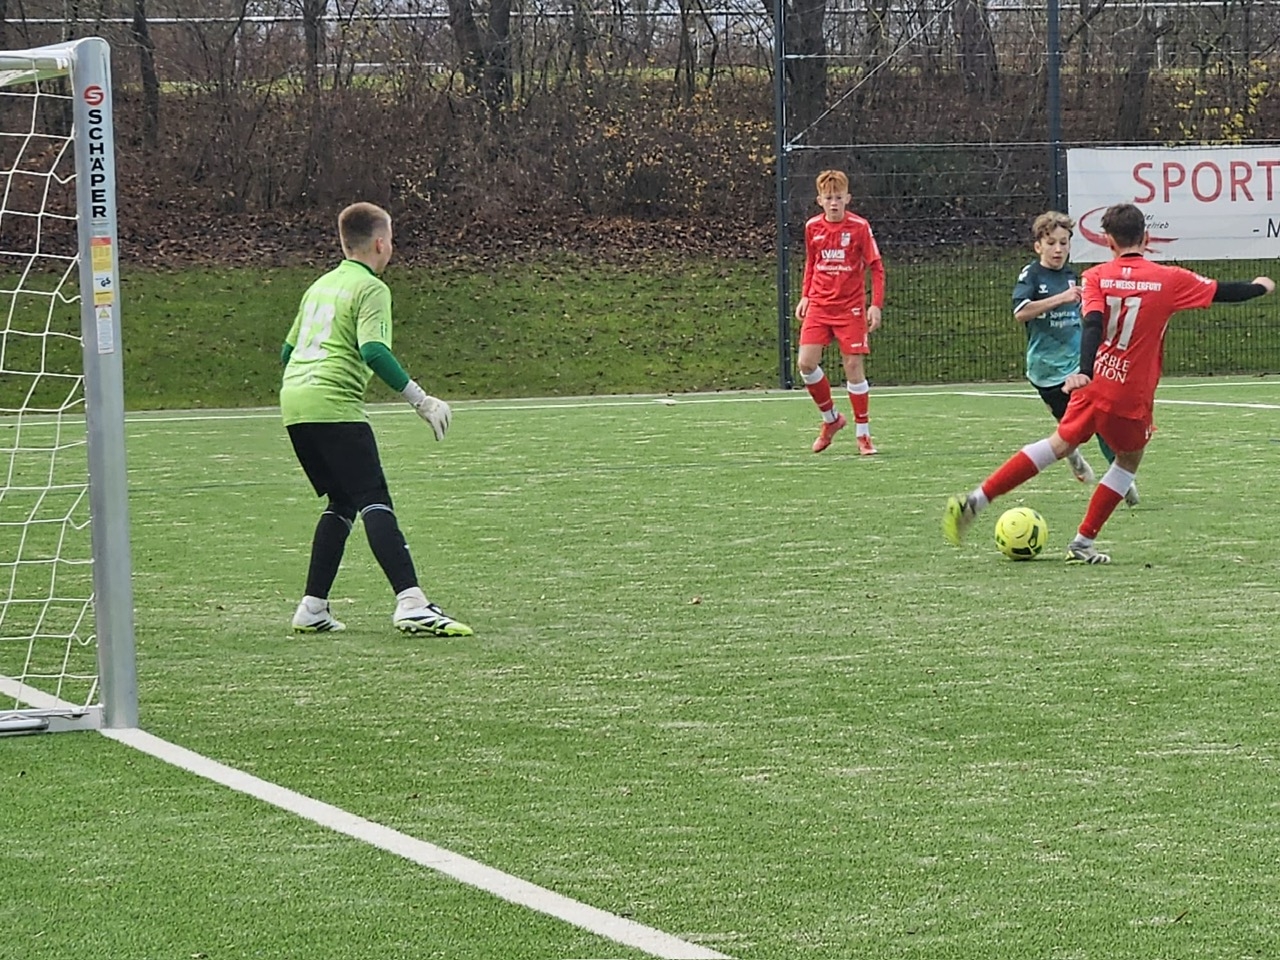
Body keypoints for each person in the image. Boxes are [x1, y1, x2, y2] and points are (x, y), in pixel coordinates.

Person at [944, 202, 1274, 563]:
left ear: (1108, 241)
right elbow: (1225, 291)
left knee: (1058, 444)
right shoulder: (1169, 279)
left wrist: (1085, 370)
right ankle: (1083, 541)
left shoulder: (1095, 276)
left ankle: (977, 498)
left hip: (1096, 381)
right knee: (1128, 460)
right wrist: (1259, 286)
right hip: (1131, 393)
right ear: (1146, 238)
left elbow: (1093, 323)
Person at [280, 201, 473, 635]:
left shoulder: (320, 286)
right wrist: (422, 401)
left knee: (342, 501)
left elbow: (288, 352)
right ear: (381, 243)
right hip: (333, 404)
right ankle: (411, 602)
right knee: (374, 498)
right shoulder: (371, 288)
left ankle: (312, 607)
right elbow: (373, 350)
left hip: (295, 405)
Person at [1013, 210, 1138, 506]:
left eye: (1064, 243)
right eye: (1051, 243)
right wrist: (1061, 299)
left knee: (1102, 420)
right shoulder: (1032, 275)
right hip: (1045, 369)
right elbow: (1020, 312)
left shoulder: (1073, 276)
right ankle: (1074, 457)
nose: (1058, 249)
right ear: (1038, 246)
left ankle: (1120, 479)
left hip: (1078, 365)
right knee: (1069, 431)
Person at [795, 168, 886, 455]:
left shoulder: (859, 227)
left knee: (853, 367)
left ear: (848, 198)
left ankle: (863, 434)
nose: (833, 203)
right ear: (819, 200)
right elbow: (811, 263)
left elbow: (876, 267)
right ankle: (831, 419)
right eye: (828, 198)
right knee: (806, 363)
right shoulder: (812, 227)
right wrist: (805, 296)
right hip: (819, 305)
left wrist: (875, 304)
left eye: (838, 197)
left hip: (850, 308)